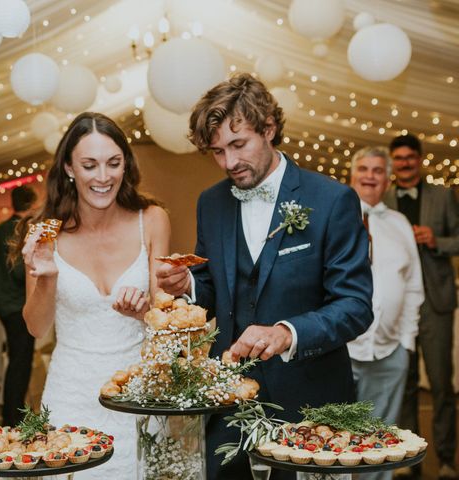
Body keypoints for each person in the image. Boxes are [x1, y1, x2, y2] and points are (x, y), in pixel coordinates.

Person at [156, 73, 373, 480]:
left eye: (239, 145)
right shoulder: (211, 203)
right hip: (229, 401)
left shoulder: (332, 199)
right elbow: (216, 289)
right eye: (218, 152)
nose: (229, 163)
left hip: (312, 403)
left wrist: (288, 332)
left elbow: (355, 307)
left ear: (269, 128)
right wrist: (188, 286)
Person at [16, 112, 171, 478]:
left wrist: (144, 311)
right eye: (90, 165)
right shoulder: (44, 234)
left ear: (125, 166)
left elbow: (167, 320)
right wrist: (47, 278)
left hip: (138, 395)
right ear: (69, 168)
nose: (103, 177)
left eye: (113, 163)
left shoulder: (151, 220)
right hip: (71, 393)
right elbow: (37, 328)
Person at [384, 133, 459, 480]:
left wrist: (437, 240)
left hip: (435, 303)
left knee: (442, 384)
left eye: (410, 158)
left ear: (419, 160)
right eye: (398, 159)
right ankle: (408, 458)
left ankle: (446, 459)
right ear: (392, 162)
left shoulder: (443, 196)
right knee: (405, 381)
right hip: (397, 307)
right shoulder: (382, 198)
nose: (404, 164)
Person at [348, 146, 424, 480]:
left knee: (380, 446)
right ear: (351, 175)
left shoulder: (400, 223)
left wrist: (406, 343)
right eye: (363, 168)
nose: (370, 175)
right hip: (344, 351)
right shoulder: (335, 218)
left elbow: (413, 286)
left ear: (388, 178)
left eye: (378, 170)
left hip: (390, 352)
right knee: (335, 440)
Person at [0, 185, 37, 427]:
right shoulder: (22, 229)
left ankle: (13, 414)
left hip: (2, 302)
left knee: (16, 359)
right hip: (18, 304)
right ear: (31, 204)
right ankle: (14, 417)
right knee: (20, 362)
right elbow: (20, 271)